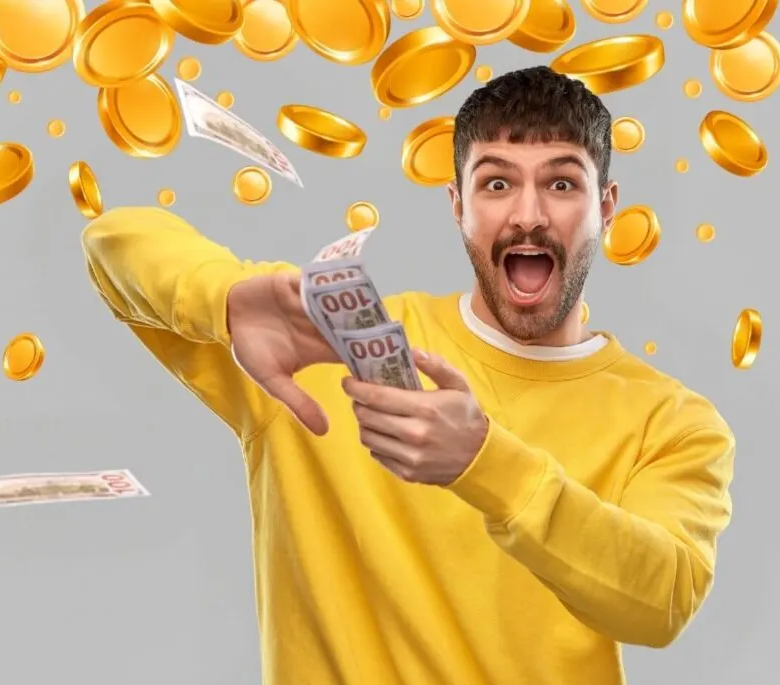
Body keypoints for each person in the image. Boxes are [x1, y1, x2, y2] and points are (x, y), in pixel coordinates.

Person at [81, 65, 735, 685]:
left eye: (562, 184)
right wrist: (223, 298)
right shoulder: (319, 346)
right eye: (496, 183)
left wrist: (484, 461)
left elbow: (661, 601)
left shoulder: (671, 420)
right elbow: (115, 241)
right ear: (458, 204)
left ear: (607, 207)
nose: (529, 215)